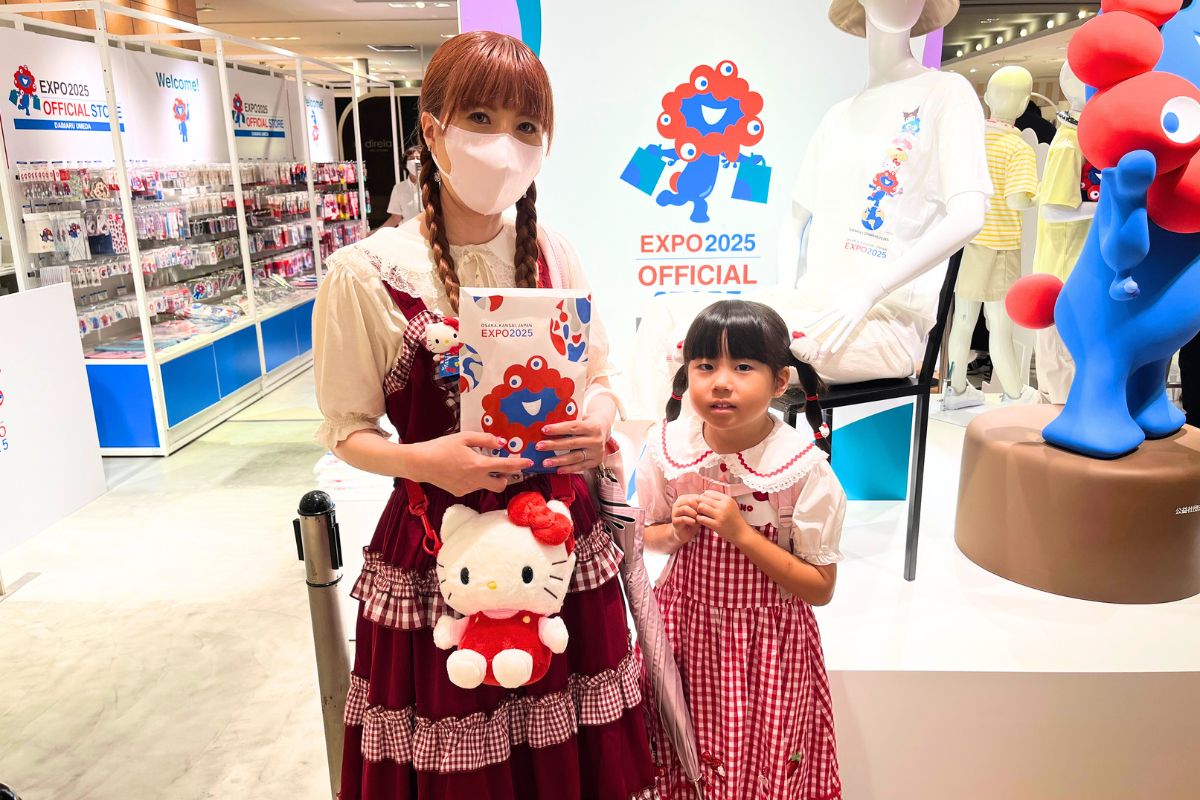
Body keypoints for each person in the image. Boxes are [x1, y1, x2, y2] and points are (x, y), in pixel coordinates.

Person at [313, 31, 656, 799]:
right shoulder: (364, 275)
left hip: (559, 533)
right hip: (438, 542)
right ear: (431, 129)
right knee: (459, 737)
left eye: (526, 127)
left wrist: (596, 421)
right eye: (480, 118)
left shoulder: (554, 251)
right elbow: (346, 430)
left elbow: (601, 376)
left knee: (566, 743)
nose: (505, 146)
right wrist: (428, 461)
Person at [637, 300, 847, 800]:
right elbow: (643, 534)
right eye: (705, 366)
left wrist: (744, 535)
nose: (721, 382)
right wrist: (675, 534)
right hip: (684, 637)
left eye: (743, 367)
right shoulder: (671, 450)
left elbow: (820, 587)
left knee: (761, 760)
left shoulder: (801, 468)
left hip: (767, 650)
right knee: (679, 755)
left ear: (781, 382)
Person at [382, 145, 422, 227]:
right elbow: (395, 218)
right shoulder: (399, 189)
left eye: (418, 158)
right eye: (411, 159)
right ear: (405, 164)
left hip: (431, 235)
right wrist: (376, 233)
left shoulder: (434, 185)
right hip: (408, 235)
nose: (415, 161)